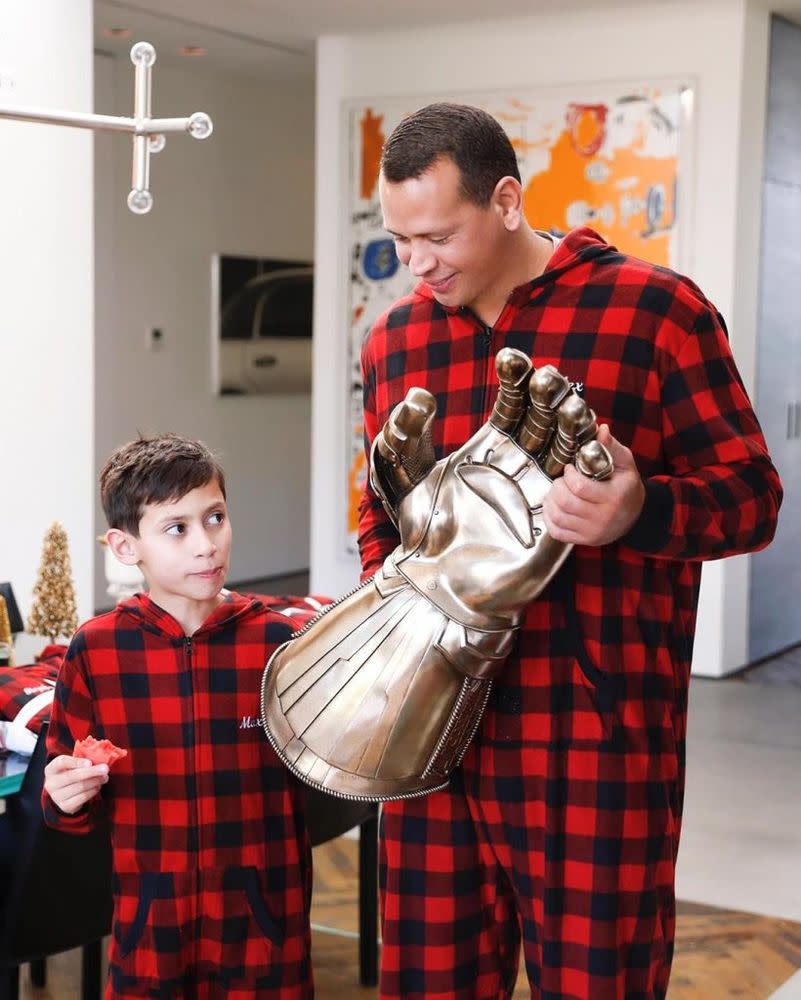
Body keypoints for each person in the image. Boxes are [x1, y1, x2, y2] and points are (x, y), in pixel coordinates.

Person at [358, 103, 782, 1000]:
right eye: (401, 241)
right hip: (430, 740)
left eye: (438, 235)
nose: (419, 264)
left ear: (506, 200)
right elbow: (379, 517)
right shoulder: (394, 339)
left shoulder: (657, 311)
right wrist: (385, 610)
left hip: (593, 740)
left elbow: (752, 500)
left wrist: (640, 511)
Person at [43, 434, 313, 1000]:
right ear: (124, 547)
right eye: (177, 528)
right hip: (148, 940)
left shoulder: (280, 643)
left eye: (215, 518)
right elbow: (65, 805)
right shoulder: (94, 651)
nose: (205, 545)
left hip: (265, 936)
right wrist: (65, 795)